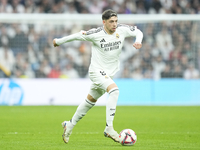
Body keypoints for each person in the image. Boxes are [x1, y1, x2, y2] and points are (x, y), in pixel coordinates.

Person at [53, 9, 143, 144]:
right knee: (114, 91)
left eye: (116, 21)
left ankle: (69, 125)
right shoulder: (96, 34)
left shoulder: (122, 30)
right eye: (111, 22)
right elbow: (78, 35)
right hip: (97, 71)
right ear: (104, 22)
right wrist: (58, 41)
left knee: (90, 101)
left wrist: (138, 40)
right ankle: (109, 128)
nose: (115, 24)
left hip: (109, 73)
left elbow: (138, 31)